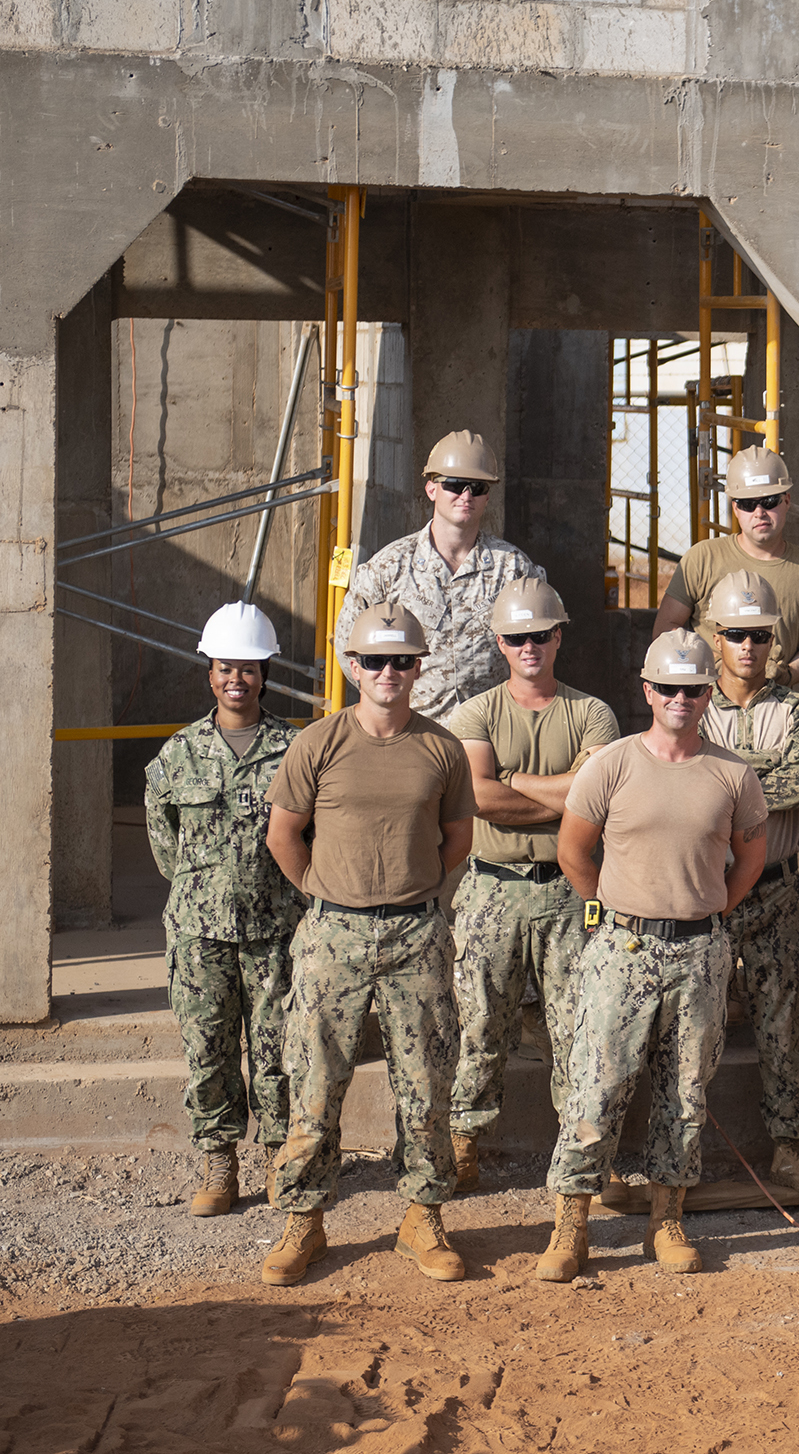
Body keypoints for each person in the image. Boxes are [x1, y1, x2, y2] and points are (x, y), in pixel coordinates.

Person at [535, 630, 768, 1281]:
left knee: (685, 1092)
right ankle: (571, 1224)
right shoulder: (611, 765)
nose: (679, 699)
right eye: (667, 687)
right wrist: (611, 910)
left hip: (699, 953)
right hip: (623, 950)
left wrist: (711, 910)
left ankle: (666, 1219)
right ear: (647, 690)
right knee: (596, 1086)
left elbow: (750, 857)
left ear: (708, 694)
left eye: (692, 689)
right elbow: (573, 851)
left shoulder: (732, 774)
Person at [260, 604, 476, 1287]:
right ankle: (305, 1219)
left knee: (427, 1082)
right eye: (375, 660)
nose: (389, 672)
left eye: (402, 660)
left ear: (418, 667)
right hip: (333, 934)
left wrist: (416, 893)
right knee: (316, 1081)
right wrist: (324, 895)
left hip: (416, 932)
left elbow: (458, 839)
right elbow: (283, 834)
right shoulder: (317, 744)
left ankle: (422, 1217)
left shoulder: (441, 748)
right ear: (353, 666)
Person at [443, 578, 620, 1196]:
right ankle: (463, 1144)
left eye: (541, 634)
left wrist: (513, 779)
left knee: (578, 1029)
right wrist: (564, 795)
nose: (529, 646)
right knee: (479, 1025)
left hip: (569, 891)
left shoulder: (592, 713)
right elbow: (478, 796)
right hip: (491, 890)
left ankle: (581, 1158)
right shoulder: (476, 712)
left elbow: (595, 794)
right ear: (500, 642)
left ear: (559, 636)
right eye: (517, 637)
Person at [144, 603, 307, 1217]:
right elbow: (165, 843)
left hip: (276, 930)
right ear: (209, 673)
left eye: (248, 668)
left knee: (277, 1048)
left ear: (265, 674)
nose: (236, 678)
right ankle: (219, 1162)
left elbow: (313, 834)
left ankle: (278, 1156)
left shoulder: (296, 749)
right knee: (208, 1048)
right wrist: (206, 889)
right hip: (198, 933)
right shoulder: (178, 753)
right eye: (225, 667)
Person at [696, 571, 799, 1200]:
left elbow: (798, 785)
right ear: (715, 638)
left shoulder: (798, 710)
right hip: (706, 895)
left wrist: (722, 782)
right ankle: (680, 1157)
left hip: (777, 893)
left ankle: (790, 1149)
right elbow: (683, 787)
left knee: (784, 1025)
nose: (748, 647)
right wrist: (752, 779)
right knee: (691, 1026)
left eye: (759, 635)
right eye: (735, 635)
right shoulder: (690, 704)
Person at [333, 431, 546, 719]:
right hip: (413, 729)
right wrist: (387, 703)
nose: (466, 496)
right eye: (454, 485)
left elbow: (542, 646)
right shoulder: (389, 568)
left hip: (492, 728)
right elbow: (349, 647)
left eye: (477, 487)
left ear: (487, 496)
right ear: (432, 489)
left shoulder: (513, 569)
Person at [652, 446, 799, 690]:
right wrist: (716, 667)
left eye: (769, 501)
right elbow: (665, 631)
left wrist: (785, 675)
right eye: (747, 504)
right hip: (708, 701)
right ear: (735, 508)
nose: (759, 512)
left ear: (786, 500)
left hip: (773, 704)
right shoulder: (702, 559)